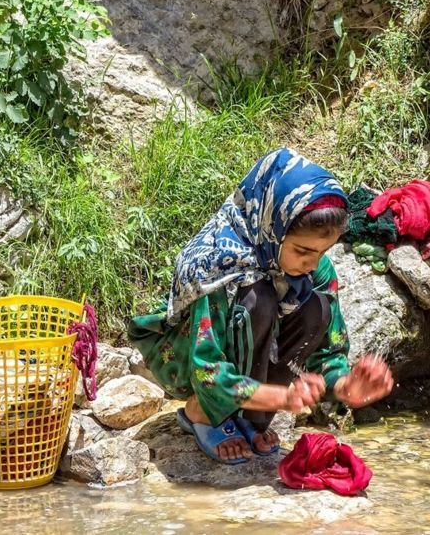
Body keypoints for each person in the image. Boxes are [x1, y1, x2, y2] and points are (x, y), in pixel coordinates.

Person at [128, 147, 394, 464]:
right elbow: (207, 367)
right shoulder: (221, 262)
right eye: (302, 251)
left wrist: (346, 384)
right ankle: (202, 412)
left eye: (322, 252)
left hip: (247, 356)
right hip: (186, 357)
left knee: (316, 309)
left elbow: (329, 351)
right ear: (273, 227)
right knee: (257, 299)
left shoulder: (314, 271)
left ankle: (250, 420)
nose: (312, 264)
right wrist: (282, 398)